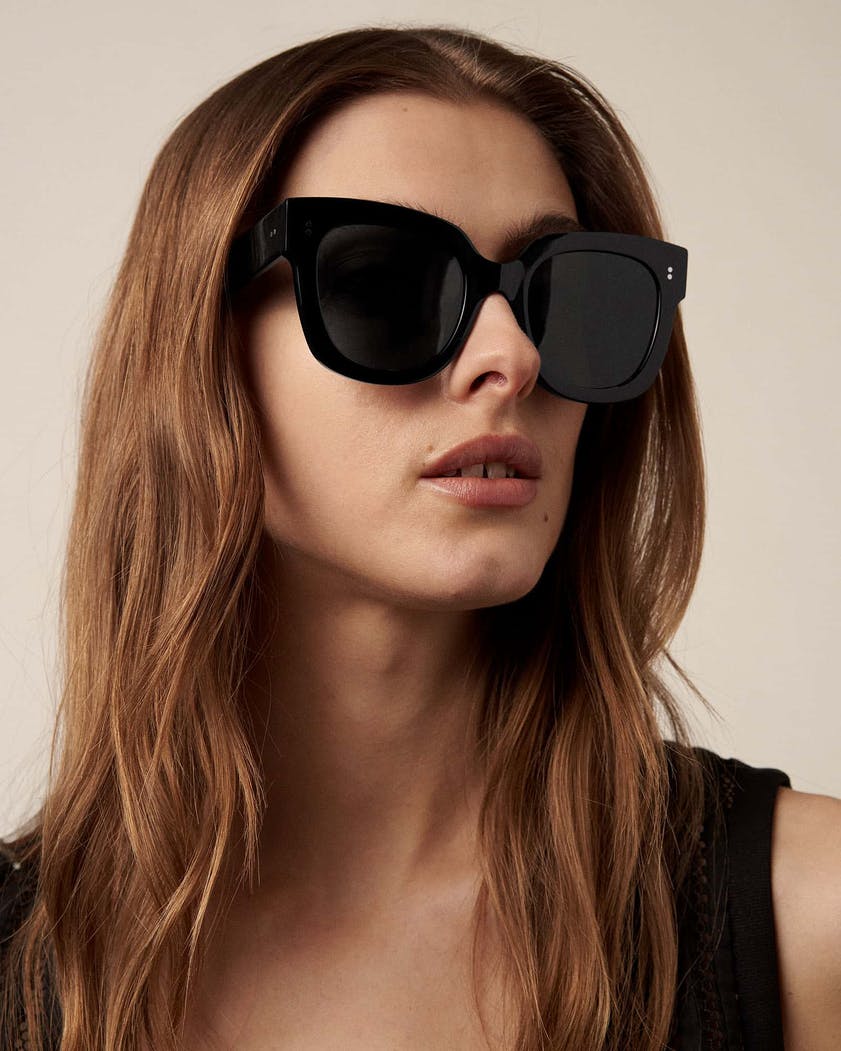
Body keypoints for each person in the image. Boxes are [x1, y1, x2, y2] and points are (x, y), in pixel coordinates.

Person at [1, 23, 839, 1051]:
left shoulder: (809, 920)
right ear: (200, 362)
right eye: (383, 284)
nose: (512, 356)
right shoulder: (16, 963)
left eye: (564, 293)